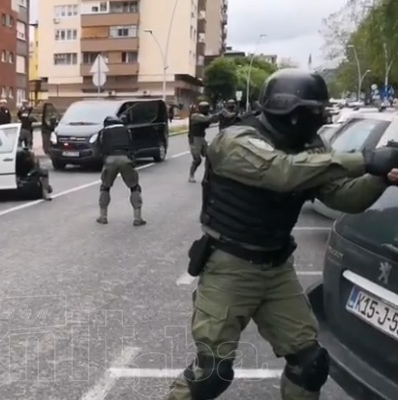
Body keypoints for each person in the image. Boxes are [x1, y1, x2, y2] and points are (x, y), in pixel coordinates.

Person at [166, 68, 398, 400]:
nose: (318, 121)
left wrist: (381, 176)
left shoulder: (310, 146)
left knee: (310, 363)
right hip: (230, 268)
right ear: (291, 113)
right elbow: (282, 173)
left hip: (276, 268)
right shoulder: (236, 141)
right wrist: (366, 159)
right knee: (211, 374)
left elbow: (344, 197)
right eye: (313, 112)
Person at [96, 115, 146, 226]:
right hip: (125, 158)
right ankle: (137, 218)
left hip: (110, 160)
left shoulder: (103, 132)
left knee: (105, 187)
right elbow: (133, 145)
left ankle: (103, 216)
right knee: (134, 187)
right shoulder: (126, 130)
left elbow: (99, 147)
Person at [188, 101, 216, 183]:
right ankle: (191, 175)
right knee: (197, 159)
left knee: (209, 156)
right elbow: (207, 119)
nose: (207, 110)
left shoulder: (204, 115)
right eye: (205, 108)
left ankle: (208, 175)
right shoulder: (195, 115)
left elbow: (213, 119)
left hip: (201, 138)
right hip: (194, 139)